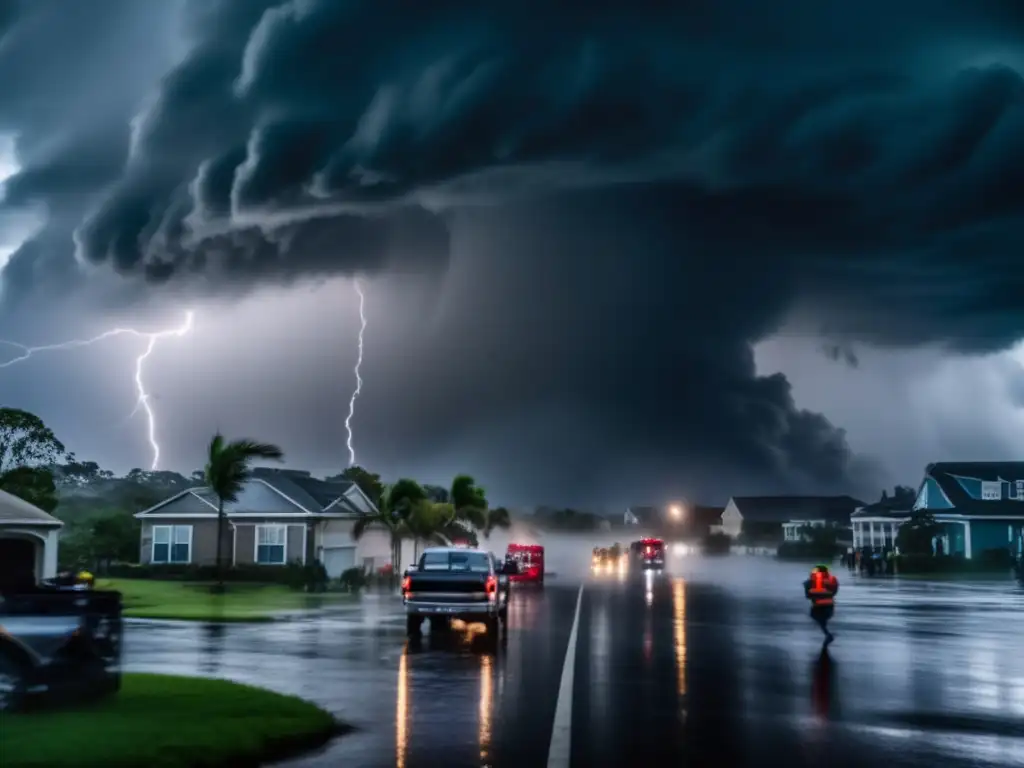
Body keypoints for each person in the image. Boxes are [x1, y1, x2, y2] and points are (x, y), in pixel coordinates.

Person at [804, 564, 839, 643]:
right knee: (824, 619)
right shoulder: (832, 579)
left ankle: (827, 633)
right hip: (829, 604)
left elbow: (807, 595)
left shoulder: (810, 580)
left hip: (817, 605)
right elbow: (835, 591)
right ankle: (827, 632)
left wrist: (813, 596)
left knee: (817, 617)